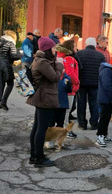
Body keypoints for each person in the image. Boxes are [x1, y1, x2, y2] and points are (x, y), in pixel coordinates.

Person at [26, 37, 64, 167]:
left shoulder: (40, 60)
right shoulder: (42, 62)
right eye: (53, 48)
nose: (55, 51)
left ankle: (34, 155)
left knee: (37, 127)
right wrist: (59, 64)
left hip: (42, 97)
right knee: (41, 129)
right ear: (48, 49)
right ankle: (39, 157)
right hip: (45, 98)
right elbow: (54, 77)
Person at [77, 37, 105, 130]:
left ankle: (82, 124)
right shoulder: (100, 55)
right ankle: (94, 123)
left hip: (81, 83)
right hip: (95, 84)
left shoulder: (79, 54)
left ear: (86, 44)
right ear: (94, 45)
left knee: (81, 104)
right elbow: (103, 70)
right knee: (94, 104)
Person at [54, 40, 80, 138]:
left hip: (61, 87)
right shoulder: (69, 58)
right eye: (74, 46)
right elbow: (70, 73)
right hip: (69, 88)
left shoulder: (60, 56)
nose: (76, 48)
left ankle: (62, 130)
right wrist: (77, 82)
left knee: (63, 111)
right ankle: (65, 131)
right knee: (66, 111)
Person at [0, 31, 22, 111]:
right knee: (10, 83)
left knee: (1, 83)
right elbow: (14, 56)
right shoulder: (10, 43)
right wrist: (21, 54)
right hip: (7, 65)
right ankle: (3, 102)